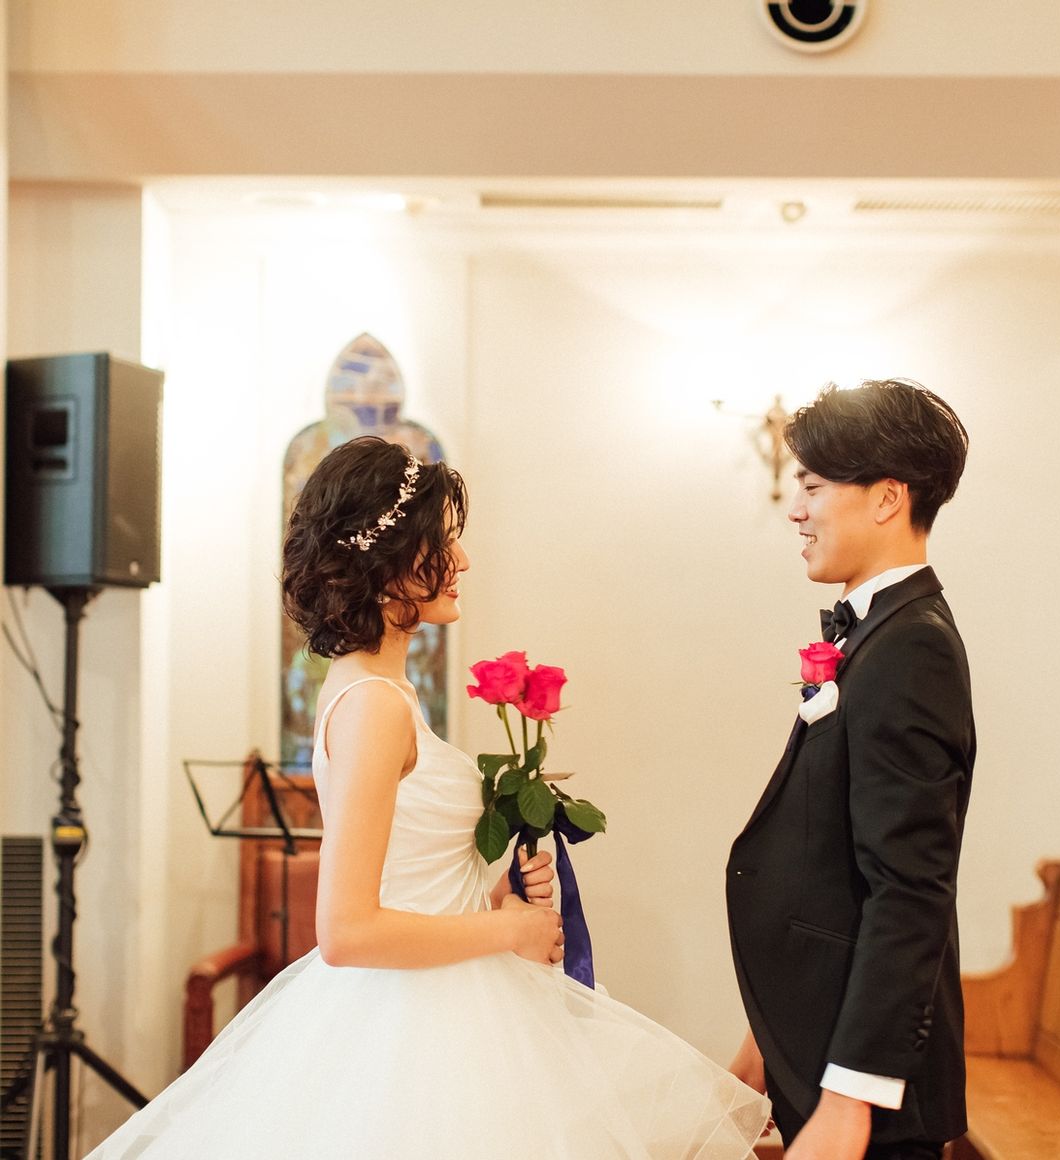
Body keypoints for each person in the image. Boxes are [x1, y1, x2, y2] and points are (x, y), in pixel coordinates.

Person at [86, 436, 769, 1159]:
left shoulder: (377, 691)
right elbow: (346, 932)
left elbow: (405, 883)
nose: (462, 561)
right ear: (387, 565)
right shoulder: (374, 705)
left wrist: (495, 896)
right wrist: (510, 933)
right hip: (412, 1024)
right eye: (443, 543)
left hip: (436, 1001)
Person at [726, 381, 975, 1160]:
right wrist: (764, 1044)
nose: (795, 511)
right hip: (819, 1044)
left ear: (887, 498)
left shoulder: (912, 647)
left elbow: (909, 889)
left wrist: (850, 1098)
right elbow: (833, 867)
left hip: (869, 1098)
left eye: (813, 487)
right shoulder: (876, 634)